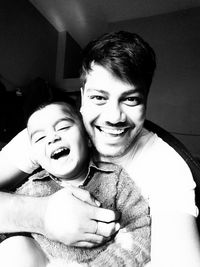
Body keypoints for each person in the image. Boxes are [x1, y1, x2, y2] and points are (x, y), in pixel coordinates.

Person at [0, 31, 199, 266]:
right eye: (99, 98)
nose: (114, 117)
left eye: (131, 99)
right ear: (82, 97)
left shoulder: (166, 167)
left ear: (146, 101)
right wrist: (40, 216)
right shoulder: (51, 132)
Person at [0, 100, 150, 266]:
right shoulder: (32, 188)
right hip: (45, 260)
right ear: (37, 158)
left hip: (96, 262)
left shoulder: (114, 180)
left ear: (88, 139)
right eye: (40, 137)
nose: (52, 138)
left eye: (63, 127)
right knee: (14, 247)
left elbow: (138, 229)